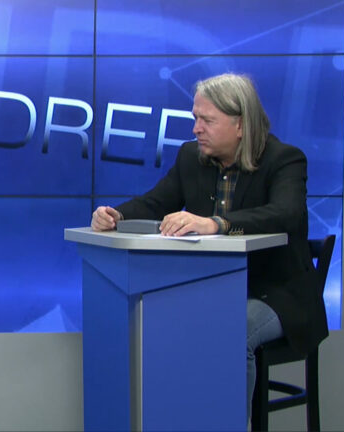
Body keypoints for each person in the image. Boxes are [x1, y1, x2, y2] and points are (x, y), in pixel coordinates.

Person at [90, 73, 328, 416]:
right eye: (195, 118)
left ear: (240, 125)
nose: (196, 129)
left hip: (276, 293)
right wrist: (116, 215)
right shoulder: (191, 157)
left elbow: (286, 214)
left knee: (232, 329)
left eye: (207, 120)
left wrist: (217, 223)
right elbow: (156, 202)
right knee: (159, 321)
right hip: (210, 288)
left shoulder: (284, 159)